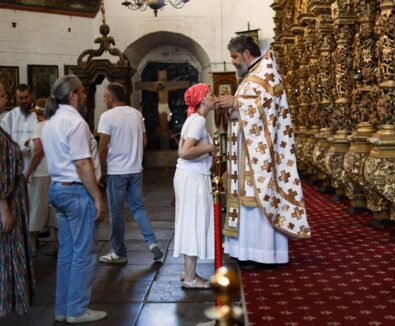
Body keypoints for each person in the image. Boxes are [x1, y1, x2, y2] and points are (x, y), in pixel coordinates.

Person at [215, 35, 311, 268]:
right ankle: (246, 251)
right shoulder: (253, 74)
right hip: (247, 155)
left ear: (247, 53)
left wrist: (236, 103)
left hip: (260, 158)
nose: (234, 62)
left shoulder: (266, 72)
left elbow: (266, 106)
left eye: (235, 57)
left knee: (257, 203)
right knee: (246, 205)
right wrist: (230, 107)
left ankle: (263, 255)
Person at [41, 75, 107, 323]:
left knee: (67, 253)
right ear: (73, 95)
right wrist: (97, 197)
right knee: (84, 253)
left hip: (58, 189)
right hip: (76, 192)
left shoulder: (50, 122)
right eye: (83, 91)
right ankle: (77, 310)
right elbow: (82, 163)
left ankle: (63, 309)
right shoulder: (76, 122)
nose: (86, 95)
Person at [97, 82, 163, 264]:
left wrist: (100, 171)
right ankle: (152, 243)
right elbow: (144, 141)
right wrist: (134, 157)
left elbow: (103, 147)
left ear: (111, 97)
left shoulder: (107, 116)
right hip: (135, 170)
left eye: (104, 96)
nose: (104, 98)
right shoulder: (137, 114)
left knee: (116, 213)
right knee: (138, 207)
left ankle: (119, 252)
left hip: (116, 172)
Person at [173, 83, 216, 288]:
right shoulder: (197, 121)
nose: (214, 97)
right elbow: (184, 152)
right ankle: (190, 278)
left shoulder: (194, 119)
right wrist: (211, 147)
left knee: (189, 222)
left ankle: (188, 271)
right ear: (201, 99)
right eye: (210, 94)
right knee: (193, 224)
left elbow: (182, 149)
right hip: (193, 178)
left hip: (188, 176)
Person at [0, 82, 35, 317]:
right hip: (6, 203)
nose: (5, 100)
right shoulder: (8, 119)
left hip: (13, 199)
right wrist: (4, 208)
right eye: (2, 95)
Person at [24, 98, 58, 255]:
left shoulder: (40, 126)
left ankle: (32, 246)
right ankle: (56, 244)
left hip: (41, 173)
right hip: (55, 173)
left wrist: (28, 171)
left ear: (39, 114)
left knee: (36, 208)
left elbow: (38, 151)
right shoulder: (55, 125)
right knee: (53, 211)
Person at [0, 84, 37, 173]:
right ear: (16, 98)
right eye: (21, 98)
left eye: (26, 97)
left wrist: (32, 143)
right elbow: (3, 141)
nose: (24, 101)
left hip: (35, 164)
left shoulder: (38, 114)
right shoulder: (10, 116)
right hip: (16, 165)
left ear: (30, 96)